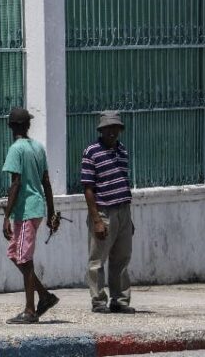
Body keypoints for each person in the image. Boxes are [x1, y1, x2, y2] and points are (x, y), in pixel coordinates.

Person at [1, 107, 60, 324]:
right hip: (37, 208)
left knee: (24, 258)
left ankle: (30, 310)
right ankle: (44, 295)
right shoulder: (38, 148)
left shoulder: (16, 149)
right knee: (16, 254)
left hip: (25, 210)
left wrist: (6, 216)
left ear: (11, 127)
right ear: (27, 125)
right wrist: (51, 212)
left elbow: (15, 184)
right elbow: (46, 182)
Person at [81, 110, 135, 314]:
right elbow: (88, 188)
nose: (112, 132)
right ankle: (98, 301)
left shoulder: (122, 151)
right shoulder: (91, 152)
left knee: (122, 259)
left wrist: (129, 219)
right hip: (103, 210)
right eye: (108, 129)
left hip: (123, 210)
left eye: (115, 128)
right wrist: (96, 219)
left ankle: (120, 300)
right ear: (101, 130)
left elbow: (123, 182)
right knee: (97, 261)